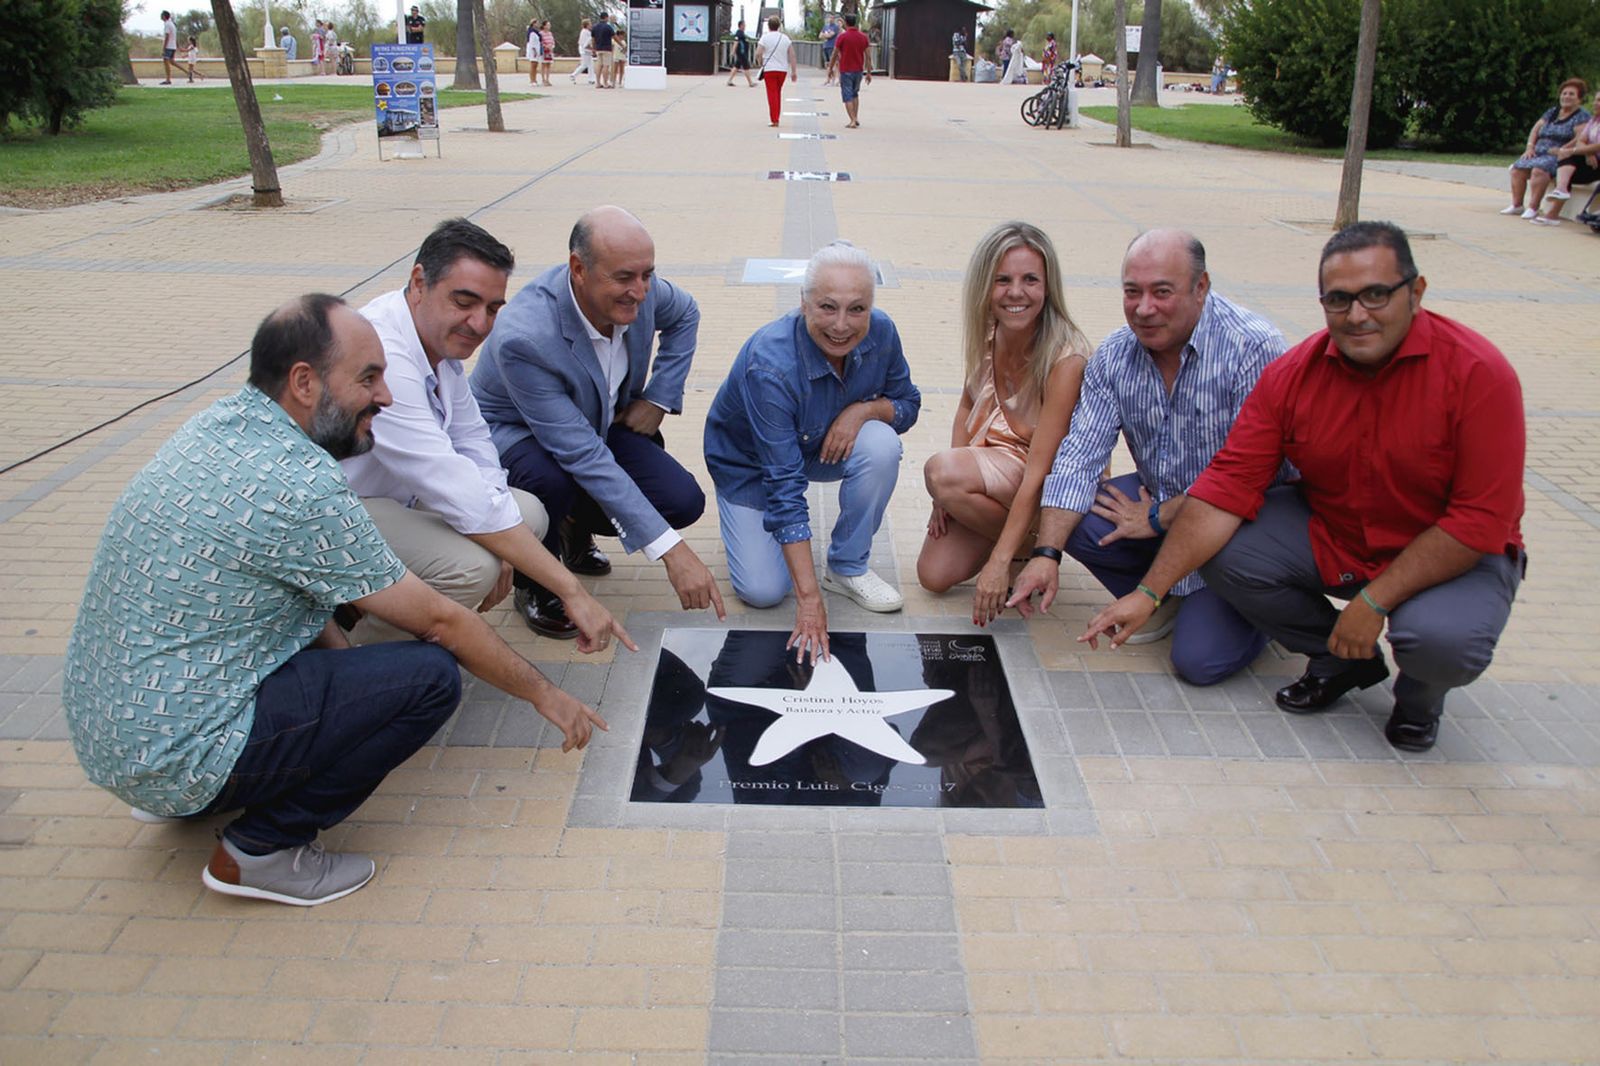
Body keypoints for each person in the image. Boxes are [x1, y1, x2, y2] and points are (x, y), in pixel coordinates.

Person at [63, 294, 607, 907]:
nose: (386, 397)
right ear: (303, 382)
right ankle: (262, 850)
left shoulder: (216, 428)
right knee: (426, 678)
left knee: (342, 663)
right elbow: (439, 621)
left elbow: (297, 592)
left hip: (114, 736)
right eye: (368, 379)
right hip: (171, 752)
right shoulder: (301, 482)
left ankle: (194, 784)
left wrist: (344, 680)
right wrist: (548, 694)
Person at [1078, 222, 1525, 754]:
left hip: (1450, 552)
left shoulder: (1479, 373)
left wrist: (1373, 602)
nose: (1357, 315)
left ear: (1417, 291)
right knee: (1227, 549)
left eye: (1376, 295)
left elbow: (1478, 521)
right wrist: (1149, 593)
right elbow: (1225, 489)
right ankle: (1339, 659)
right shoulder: (1295, 374)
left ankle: (1419, 701)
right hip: (1336, 532)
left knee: (1440, 642)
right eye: (1339, 299)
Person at [341, 218, 633, 654]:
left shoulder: (434, 336)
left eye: (493, 308)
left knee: (527, 515)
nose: (479, 324)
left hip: (402, 494)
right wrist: (571, 591)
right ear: (419, 280)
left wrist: (502, 540)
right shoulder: (385, 355)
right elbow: (453, 486)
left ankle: (409, 622)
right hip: (342, 507)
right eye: (464, 302)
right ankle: (361, 660)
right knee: (471, 567)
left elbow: (474, 440)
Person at [1008, 229, 1287, 686]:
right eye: (1132, 292)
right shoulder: (1116, 355)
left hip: (1244, 522)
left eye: (1162, 292)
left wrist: (1158, 517)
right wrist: (1045, 553)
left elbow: (1250, 477)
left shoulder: (1252, 348)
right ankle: (1170, 593)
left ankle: (1261, 609)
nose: (1143, 308)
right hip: (1161, 502)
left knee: (1199, 662)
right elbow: (1078, 458)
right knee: (1080, 513)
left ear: (1201, 287)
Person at [472, 206, 725, 634]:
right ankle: (536, 582)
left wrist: (659, 398)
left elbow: (686, 314)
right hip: (517, 433)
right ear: (578, 269)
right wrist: (672, 552)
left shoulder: (642, 293)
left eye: (648, 274)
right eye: (625, 277)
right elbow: (584, 456)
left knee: (681, 500)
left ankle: (570, 523)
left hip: (594, 420)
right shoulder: (526, 338)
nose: (640, 291)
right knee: (550, 480)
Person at [704, 241, 921, 662]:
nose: (842, 325)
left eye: (857, 309)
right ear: (803, 303)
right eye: (827, 307)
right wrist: (807, 599)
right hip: (750, 464)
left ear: (872, 307)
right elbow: (784, 486)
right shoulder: (769, 364)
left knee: (882, 444)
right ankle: (740, 514)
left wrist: (864, 411)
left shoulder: (883, 332)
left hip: (821, 443)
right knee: (764, 592)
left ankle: (847, 566)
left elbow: (908, 404)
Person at [917, 223, 1090, 626]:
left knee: (942, 472)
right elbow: (964, 406)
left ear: (1048, 287)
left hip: (1045, 481)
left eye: (1030, 279)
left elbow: (1039, 471)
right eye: (1003, 280)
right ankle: (1022, 544)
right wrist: (943, 500)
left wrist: (997, 563)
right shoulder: (991, 333)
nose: (1016, 292)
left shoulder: (1066, 359)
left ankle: (1034, 546)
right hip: (999, 469)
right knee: (934, 576)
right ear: (985, 286)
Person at [1503, 78, 1591, 221]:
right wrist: (1530, 147)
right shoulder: (1552, 112)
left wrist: (1563, 149)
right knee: (1517, 168)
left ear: (1579, 99)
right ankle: (1517, 205)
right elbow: (1536, 129)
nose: (1566, 97)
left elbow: (1580, 137)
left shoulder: (1582, 116)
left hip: (1556, 154)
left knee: (1539, 170)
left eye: (1571, 94)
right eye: (1564, 93)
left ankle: (1533, 207)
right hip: (1538, 151)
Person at [1535, 86, 1600, 224]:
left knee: (1567, 156)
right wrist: (1588, 153)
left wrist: (1576, 151)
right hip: (1592, 162)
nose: (1595, 103)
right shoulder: (1594, 121)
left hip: (1597, 165)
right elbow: (1581, 140)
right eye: (1595, 100)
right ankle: (1560, 193)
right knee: (1567, 166)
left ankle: (1556, 203)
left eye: (1599, 101)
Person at [756, 15, 797, 127]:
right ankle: (776, 117)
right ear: (779, 26)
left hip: (769, 69)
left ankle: (774, 119)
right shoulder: (785, 38)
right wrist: (793, 71)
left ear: (768, 26)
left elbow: (758, 53)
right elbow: (792, 55)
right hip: (782, 70)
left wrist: (761, 63)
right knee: (777, 93)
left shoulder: (765, 37)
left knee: (772, 94)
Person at [834, 13, 871, 129]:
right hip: (858, 70)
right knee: (855, 94)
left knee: (847, 95)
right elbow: (868, 56)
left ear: (845, 22)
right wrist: (869, 72)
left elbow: (835, 53)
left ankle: (853, 120)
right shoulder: (863, 37)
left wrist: (830, 68)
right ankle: (856, 117)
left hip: (846, 70)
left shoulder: (842, 37)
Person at [727, 19, 755, 87]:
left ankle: (729, 80)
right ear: (741, 25)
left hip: (742, 53)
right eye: (744, 25)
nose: (745, 26)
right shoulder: (739, 33)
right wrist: (733, 51)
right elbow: (736, 42)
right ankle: (750, 83)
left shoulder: (742, 33)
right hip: (741, 53)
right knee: (746, 67)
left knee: (736, 66)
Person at [591, 13, 616, 88]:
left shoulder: (595, 27)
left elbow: (593, 39)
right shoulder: (608, 27)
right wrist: (621, 44)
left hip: (598, 48)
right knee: (606, 66)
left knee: (599, 65)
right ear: (606, 18)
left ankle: (598, 83)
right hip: (607, 48)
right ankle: (605, 83)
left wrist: (594, 48)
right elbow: (614, 37)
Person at [573, 18, 595, 84]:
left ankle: (591, 79)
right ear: (587, 25)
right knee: (584, 65)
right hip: (585, 51)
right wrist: (592, 49)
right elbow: (586, 43)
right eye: (590, 24)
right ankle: (573, 75)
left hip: (586, 50)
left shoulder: (586, 32)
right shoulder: (585, 32)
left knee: (590, 65)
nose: (591, 25)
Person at [159, 11, 178, 84]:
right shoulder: (172, 24)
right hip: (173, 46)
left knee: (166, 63)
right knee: (172, 62)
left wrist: (164, 48)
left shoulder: (167, 24)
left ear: (164, 16)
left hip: (169, 46)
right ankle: (187, 72)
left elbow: (167, 37)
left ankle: (168, 79)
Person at [820, 16, 839, 84]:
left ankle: (836, 78)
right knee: (827, 64)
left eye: (832, 18)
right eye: (829, 18)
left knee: (834, 63)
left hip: (832, 46)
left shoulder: (836, 27)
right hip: (825, 46)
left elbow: (830, 35)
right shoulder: (825, 26)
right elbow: (820, 35)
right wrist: (826, 35)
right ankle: (828, 78)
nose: (831, 19)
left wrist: (825, 35)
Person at [539, 20, 556, 87]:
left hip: (550, 51)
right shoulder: (541, 33)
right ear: (544, 26)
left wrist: (552, 46)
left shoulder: (550, 33)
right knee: (543, 65)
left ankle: (547, 79)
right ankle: (543, 80)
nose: (549, 26)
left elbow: (552, 41)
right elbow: (540, 42)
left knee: (548, 65)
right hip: (544, 51)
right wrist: (545, 46)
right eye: (548, 25)